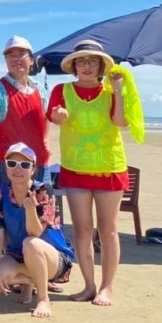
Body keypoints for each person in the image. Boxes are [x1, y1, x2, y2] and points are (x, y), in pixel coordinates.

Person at [47, 39, 133, 307]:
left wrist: (118, 91)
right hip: (75, 168)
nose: (86, 66)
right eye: (81, 61)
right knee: (82, 230)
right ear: (74, 66)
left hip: (109, 167)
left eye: (92, 61)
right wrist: (60, 114)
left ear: (101, 66)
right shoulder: (62, 90)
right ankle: (89, 285)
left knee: (108, 230)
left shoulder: (111, 90)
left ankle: (107, 287)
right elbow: (55, 118)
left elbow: (120, 122)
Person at [0, 143, 76, 318]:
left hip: (53, 257)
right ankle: (29, 283)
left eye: (24, 165)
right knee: (2, 274)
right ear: (5, 167)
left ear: (33, 169)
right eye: (12, 164)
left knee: (31, 243)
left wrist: (30, 210)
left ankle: (43, 298)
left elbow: (35, 233)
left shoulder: (44, 191)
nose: (18, 169)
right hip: (19, 254)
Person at [0, 36, 50, 187]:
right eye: (11, 55)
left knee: (41, 202)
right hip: (10, 166)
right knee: (8, 203)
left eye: (21, 54)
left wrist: (45, 141)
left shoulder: (39, 89)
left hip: (39, 164)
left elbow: (45, 116)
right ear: (6, 61)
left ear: (31, 60)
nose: (16, 59)